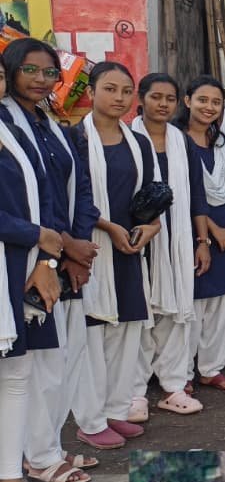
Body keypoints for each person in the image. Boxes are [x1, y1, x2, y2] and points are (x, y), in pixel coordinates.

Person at [1, 39, 110, 458]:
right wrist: (59, 249)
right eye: (29, 70)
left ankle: (46, 451)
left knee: (62, 360)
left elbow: (79, 187)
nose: (40, 80)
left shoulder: (51, 124)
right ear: (11, 72)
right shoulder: (6, 126)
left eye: (49, 72)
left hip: (63, 256)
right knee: (34, 367)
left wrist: (79, 246)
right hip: (29, 258)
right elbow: (31, 199)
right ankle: (38, 456)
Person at [74, 62, 160, 437]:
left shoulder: (137, 142)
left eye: (126, 91)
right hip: (92, 247)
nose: (119, 98)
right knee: (92, 337)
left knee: (127, 330)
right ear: (92, 92)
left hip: (130, 247)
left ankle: (114, 409)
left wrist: (150, 226)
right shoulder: (74, 139)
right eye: (110, 89)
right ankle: (89, 421)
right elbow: (74, 198)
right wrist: (108, 227)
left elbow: (153, 195)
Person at [0, 54, 66, 482]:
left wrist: (46, 257)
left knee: (15, 372)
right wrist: (35, 237)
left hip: (16, 264)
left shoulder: (14, 128)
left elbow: (42, 196)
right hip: (14, 249)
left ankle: (9, 476)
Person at [133, 74, 207, 413]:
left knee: (176, 313)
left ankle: (174, 386)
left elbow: (196, 196)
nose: (163, 104)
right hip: (136, 241)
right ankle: (133, 392)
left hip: (177, 239)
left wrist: (201, 240)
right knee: (139, 314)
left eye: (169, 98)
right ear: (142, 98)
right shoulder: (127, 138)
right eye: (156, 97)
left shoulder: (182, 141)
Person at [178, 77, 225, 385]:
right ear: (187, 101)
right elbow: (185, 193)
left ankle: (211, 368)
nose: (209, 107)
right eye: (202, 100)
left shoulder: (221, 141)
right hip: (195, 228)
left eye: (216, 102)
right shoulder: (177, 141)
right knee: (194, 303)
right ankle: (181, 373)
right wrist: (209, 232)